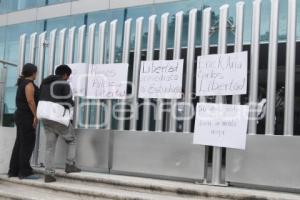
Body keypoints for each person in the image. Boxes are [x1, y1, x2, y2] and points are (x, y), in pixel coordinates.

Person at [39, 64, 81, 183]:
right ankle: (70, 165)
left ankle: (49, 174)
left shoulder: (44, 82)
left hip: (45, 116)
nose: (68, 78)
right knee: (71, 140)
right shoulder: (64, 83)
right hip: (58, 117)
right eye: (68, 76)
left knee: (50, 147)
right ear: (65, 75)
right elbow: (68, 101)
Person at [8, 63, 40, 179]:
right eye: (36, 72)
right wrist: (35, 116)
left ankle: (14, 171)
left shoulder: (22, 82)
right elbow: (31, 101)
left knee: (20, 143)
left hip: (20, 116)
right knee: (27, 144)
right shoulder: (29, 84)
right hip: (26, 117)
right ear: (33, 73)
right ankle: (24, 172)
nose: (37, 74)